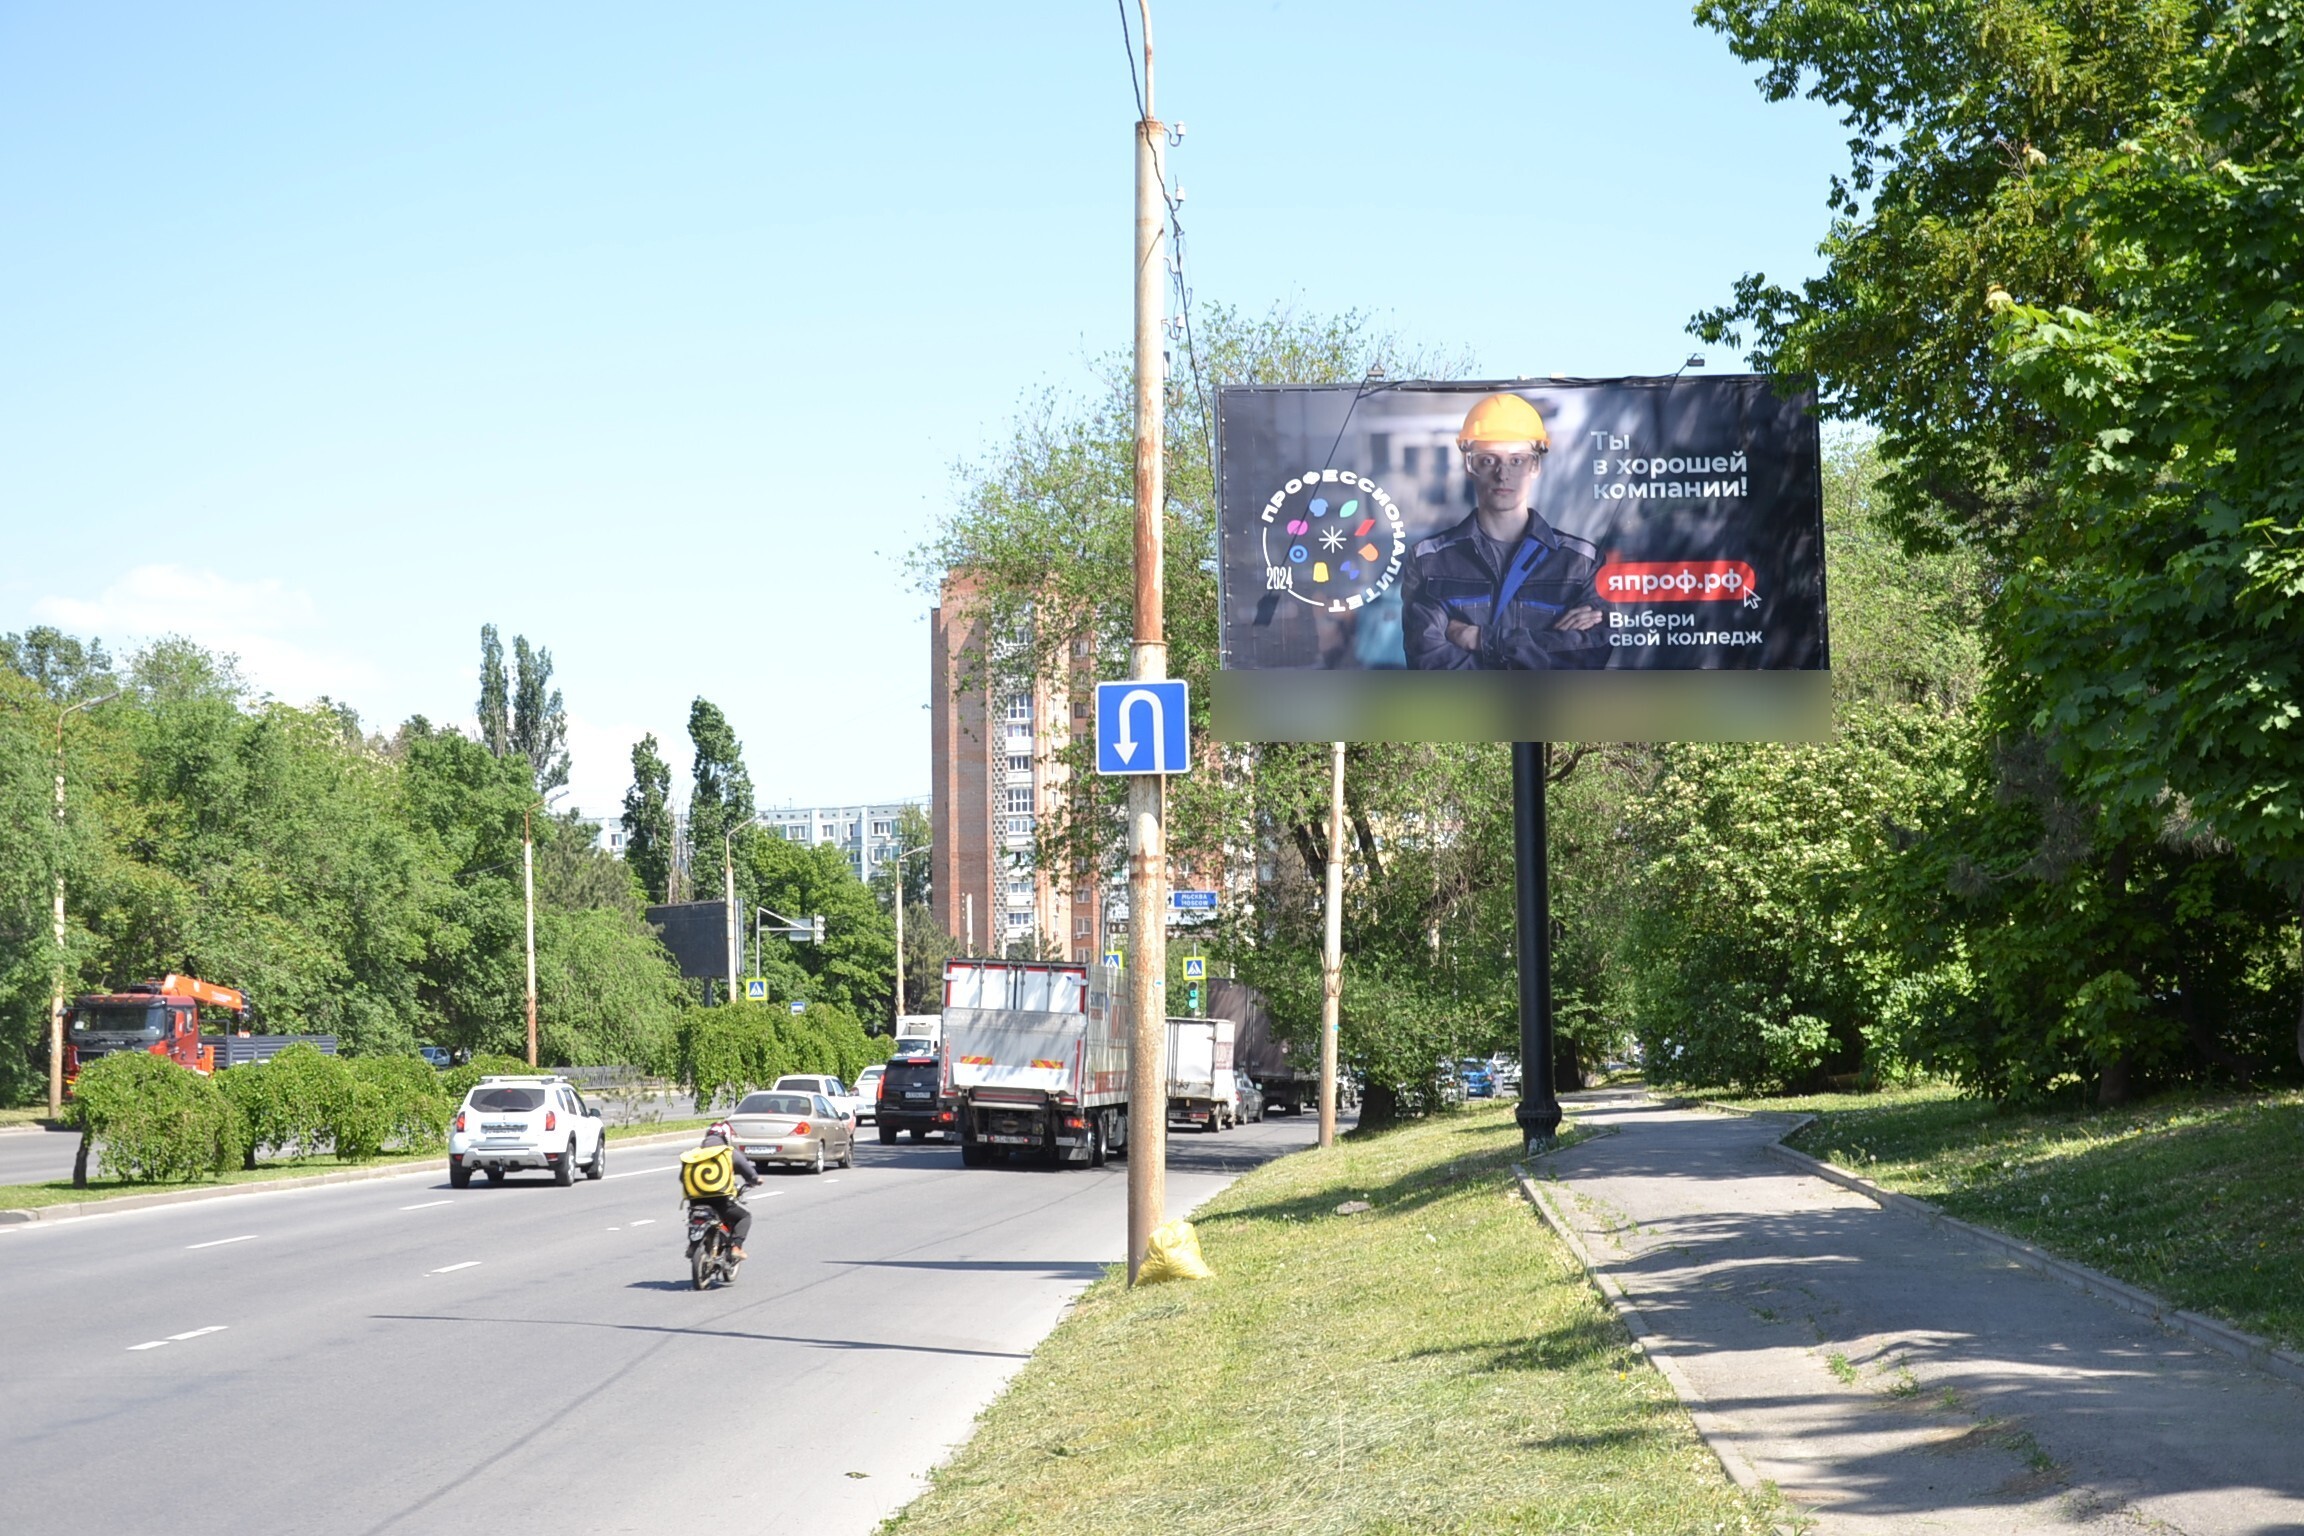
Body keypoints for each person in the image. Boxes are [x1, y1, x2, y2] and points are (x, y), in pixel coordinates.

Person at [1401, 393, 1606, 669]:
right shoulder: (1429, 561)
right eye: (1488, 460)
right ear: (1469, 466)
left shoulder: (1581, 563)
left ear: (1535, 466)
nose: (1502, 474)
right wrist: (1542, 646)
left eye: (1517, 460)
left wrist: (1478, 638)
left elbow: (1586, 658)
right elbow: (1430, 664)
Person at [696, 1120, 762, 1259]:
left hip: (695, 1200)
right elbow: (746, 1169)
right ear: (725, 1138)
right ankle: (736, 1247)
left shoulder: (695, 1154)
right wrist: (755, 1179)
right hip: (720, 1200)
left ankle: (693, 1245)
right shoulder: (728, 1153)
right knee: (745, 1216)